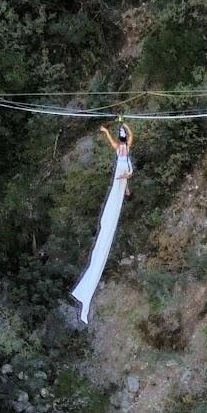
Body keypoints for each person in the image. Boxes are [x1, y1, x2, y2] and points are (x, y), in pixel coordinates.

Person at [70, 122, 135, 324]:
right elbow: (112, 142)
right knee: (115, 199)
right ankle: (124, 189)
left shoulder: (126, 148)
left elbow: (132, 137)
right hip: (121, 173)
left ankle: (125, 189)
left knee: (122, 184)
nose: (123, 138)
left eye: (122, 136)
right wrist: (108, 131)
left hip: (124, 173)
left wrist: (125, 125)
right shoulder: (120, 149)